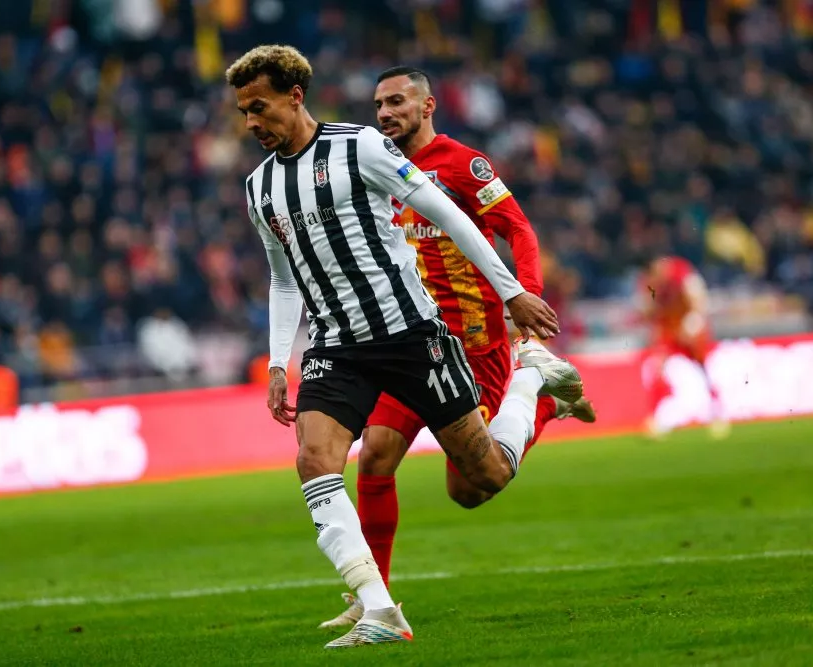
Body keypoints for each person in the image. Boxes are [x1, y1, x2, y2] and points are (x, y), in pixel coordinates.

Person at [226, 45, 580, 648]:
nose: (250, 122)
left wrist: (514, 293)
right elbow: (283, 279)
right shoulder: (260, 187)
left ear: (294, 95)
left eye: (258, 107)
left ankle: (531, 381)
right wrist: (280, 361)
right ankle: (378, 607)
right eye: (243, 112)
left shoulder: (360, 147)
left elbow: (452, 215)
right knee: (317, 460)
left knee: (482, 477)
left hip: (412, 336)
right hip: (336, 346)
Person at [318, 65, 597, 630]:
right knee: (374, 456)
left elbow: (519, 229)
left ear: (428, 106)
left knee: (469, 489)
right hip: (412, 343)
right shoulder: (375, 168)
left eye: (397, 102)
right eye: (378, 105)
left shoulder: (464, 165)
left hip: (474, 347)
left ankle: (540, 394)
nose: (385, 113)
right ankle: (375, 600)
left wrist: (524, 296)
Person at [639, 255, 727, 439]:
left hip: (689, 325)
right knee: (657, 369)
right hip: (668, 329)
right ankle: (657, 418)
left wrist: (693, 323)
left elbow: (699, 299)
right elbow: (649, 310)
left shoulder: (682, 272)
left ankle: (716, 413)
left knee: (702, 367)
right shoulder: (649, 282)